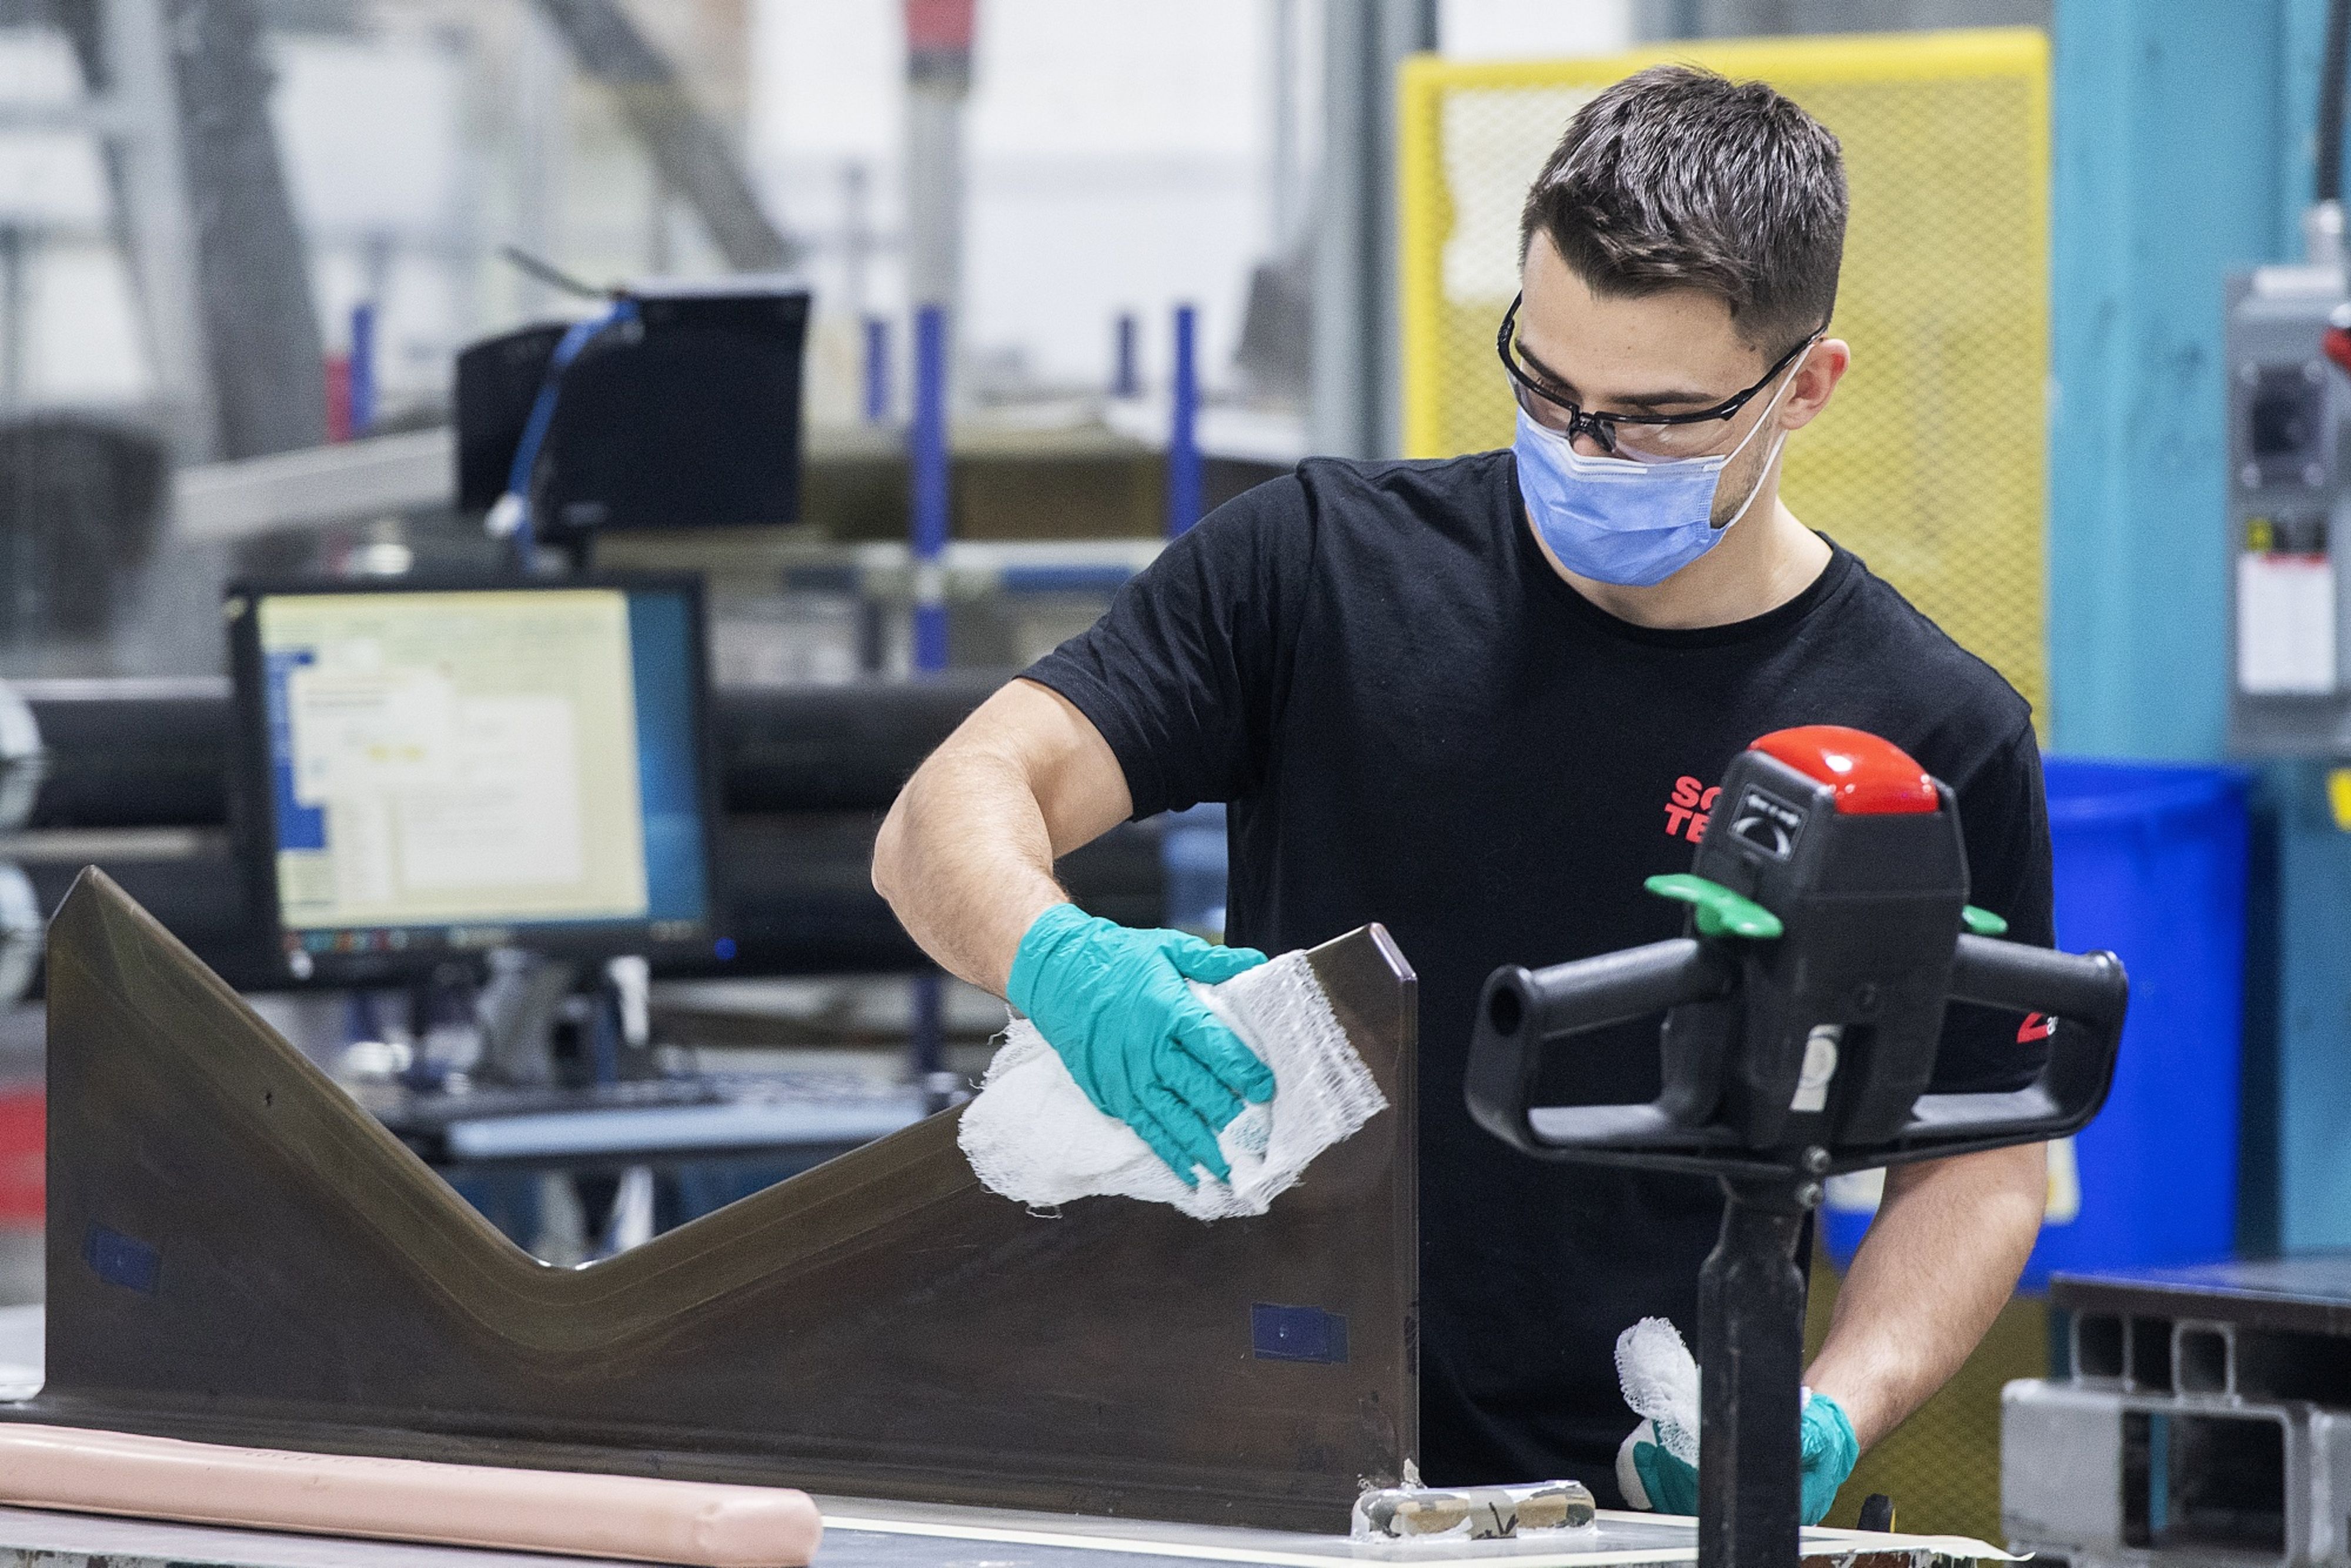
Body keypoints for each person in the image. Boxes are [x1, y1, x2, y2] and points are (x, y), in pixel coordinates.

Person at [871, 63, 2051, 1524]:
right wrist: (1057, 957)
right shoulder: (1317, 571)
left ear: (1804, 385)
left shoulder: (1928, 733)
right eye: (1544, 386)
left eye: (1652, 415)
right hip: (1263, 1474)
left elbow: (1982, 1152)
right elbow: (951, 807)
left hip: (1623, 1504)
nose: (1579, 448)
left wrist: (1817, 1408)